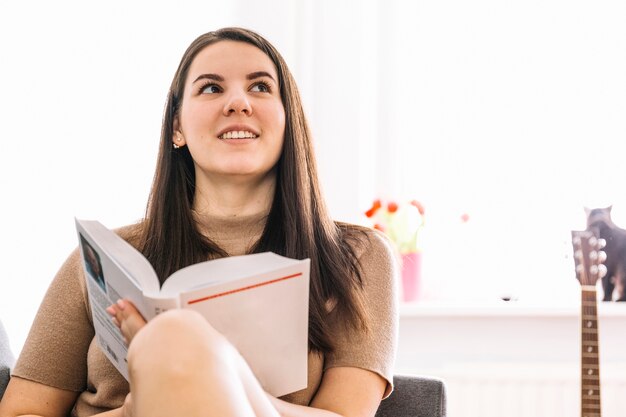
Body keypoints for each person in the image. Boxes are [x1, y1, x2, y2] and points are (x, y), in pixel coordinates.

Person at [0, 27, 398, 417]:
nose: (238, 103)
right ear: (177, 127)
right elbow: (22, 412)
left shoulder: (357, 256)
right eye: (211, 88)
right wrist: (134, 409)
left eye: (260, 87)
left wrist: (204, 367)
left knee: (176, 335)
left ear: (287, 119)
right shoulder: (103, 260)